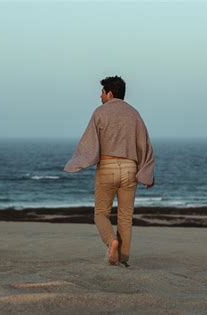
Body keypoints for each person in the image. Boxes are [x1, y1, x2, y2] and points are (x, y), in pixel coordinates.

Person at [63, 75, 155, 267]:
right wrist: (147, 173)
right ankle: (122, 258)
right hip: (130, 168)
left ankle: (111, 241)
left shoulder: (100, 112)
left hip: (107, 166)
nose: (100, 96)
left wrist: (76, 163)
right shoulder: (134, 114)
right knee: (125, 217)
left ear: (110, 93)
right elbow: (144, 144)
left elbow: (89, 143)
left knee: (101, 214)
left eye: (102, 93)